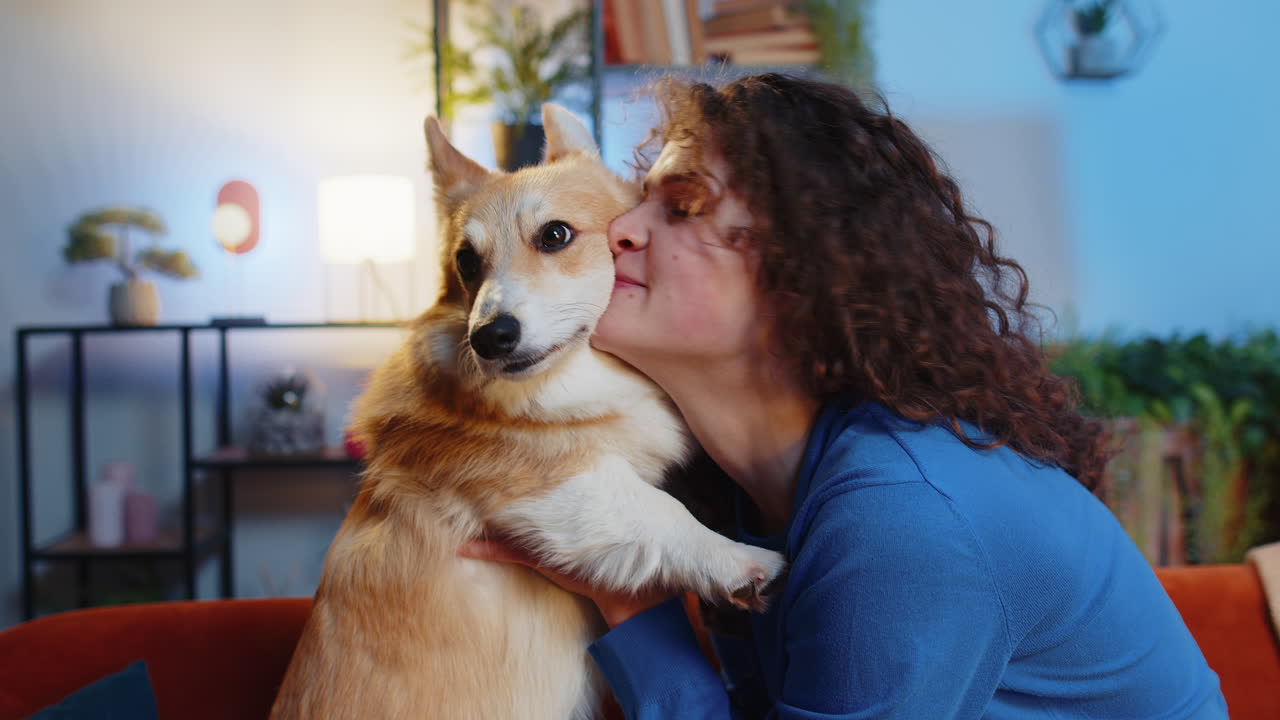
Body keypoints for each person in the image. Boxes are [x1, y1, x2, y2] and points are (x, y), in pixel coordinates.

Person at [462, 74, 1227, 719]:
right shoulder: (739, 498)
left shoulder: (902, 517)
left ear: (802, 272)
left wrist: (637, 611)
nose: (622, 228)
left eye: (682, 206)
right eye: (642, 200)